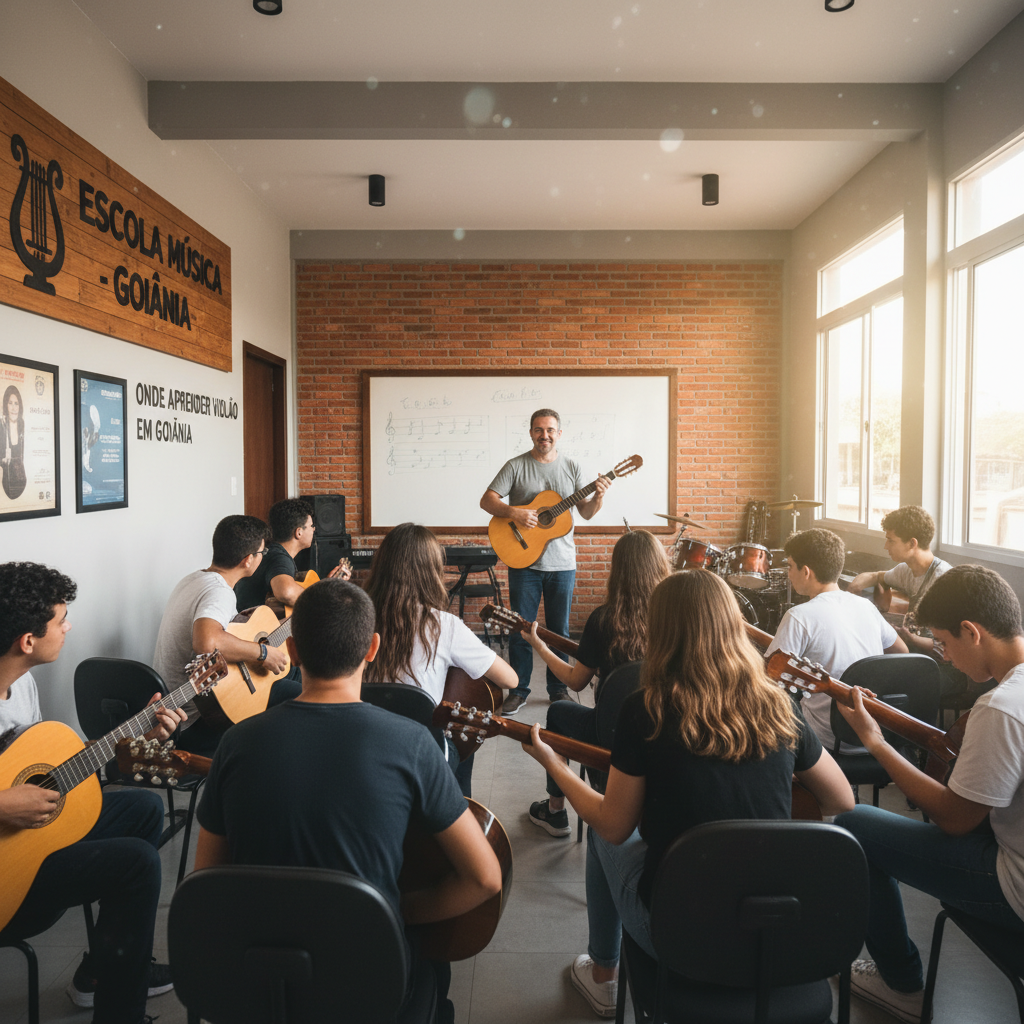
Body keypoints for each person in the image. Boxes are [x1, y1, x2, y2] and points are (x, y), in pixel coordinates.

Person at [523, 569, 854, 1017]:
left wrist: (554, 766)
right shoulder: (779, 704)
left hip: (682, 933)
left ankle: (603, 974)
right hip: (776, 925)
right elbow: (841, 800)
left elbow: (616, 825)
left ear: (662, 631)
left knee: (602, 838)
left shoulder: (647, 708)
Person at [194, 579, 502, 1024]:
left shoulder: (236, 743)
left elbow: (208, 880)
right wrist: (397, 909)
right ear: (373, 648)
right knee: (436, 974)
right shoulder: (412, 743)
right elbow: (486, 878)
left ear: (293, 652)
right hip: (368, 981)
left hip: (259, 978)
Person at [835, 565, 1024, 1024]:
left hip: (1014, 888)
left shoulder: (1002, 707)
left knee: (853, 826)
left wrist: (876, 742)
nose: (946, 658)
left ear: (971, 631)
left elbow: (956, 819)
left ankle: (901, 985)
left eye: (944, 643)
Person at [0, 561, 186, 1024]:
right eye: (61, 620)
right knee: (138, 864)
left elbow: (54, 770)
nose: (69, 627)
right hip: (8, 883)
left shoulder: (21, 683)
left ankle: (103, 971)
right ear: (27, 640)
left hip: (28, 844)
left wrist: (145, 741)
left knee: (142, 808)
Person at [525, 529, 670, 838]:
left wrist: (541, 648)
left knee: (559, 712)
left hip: (612, 735)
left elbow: (575, 682)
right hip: (667, 730)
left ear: (617, 571)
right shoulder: (673, 618)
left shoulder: (604, 619)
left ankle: (555, 811)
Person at [363, 522, 517, 796]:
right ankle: (457, 815)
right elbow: (510, 679)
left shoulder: (358, 617)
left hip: (365, 739)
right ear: (430, 572)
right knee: (463, 741)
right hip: (421, 748)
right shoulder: (443, 625)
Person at [480, 408, 611, 715]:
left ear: (559, 434)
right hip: (523, 562)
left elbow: (587, 513)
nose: (545, 435)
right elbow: (487, 500)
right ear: (531, 433)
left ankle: (558, 688)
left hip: (563, 563)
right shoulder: (516, 466)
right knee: (520, 628)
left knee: (559, 630)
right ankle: (519, 689)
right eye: (539, 430)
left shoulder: (572, 467)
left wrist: (600, 496)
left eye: (550, 430)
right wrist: (514, 513)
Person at [152, 515, 290, 754]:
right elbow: (207, 642)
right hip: (195, 719)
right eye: (262, 553)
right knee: (299, 699)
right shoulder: (219, 592)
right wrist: (262, 652)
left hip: (181, 712)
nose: (262, 558)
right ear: (248, 560)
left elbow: (230, 633)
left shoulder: (194, 579)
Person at [764, 528, 908, 751]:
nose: (788, 573)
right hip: (875, 733)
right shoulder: (866, 606)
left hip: (827, 738)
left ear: (806, 572)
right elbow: (902, 652)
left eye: (790, 566)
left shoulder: (799, 616)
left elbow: (766, 683)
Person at [847, 505, 973, 696]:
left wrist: (910, 638)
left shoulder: (943, 580)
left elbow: (951, 648)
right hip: (913, 657)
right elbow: (878, 576)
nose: (885, 546)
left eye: (891, 540)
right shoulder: (905, 570)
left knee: (876, 682)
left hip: (944, 670)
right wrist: (855, 588)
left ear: (912, 543)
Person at [233, 497, 350, 614]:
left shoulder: (269, 552)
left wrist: (326, 587)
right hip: (259, 630)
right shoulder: (279, 558)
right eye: (311, 526)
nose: (314, 530)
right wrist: (323, 598)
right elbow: (286, 592)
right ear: (299, 532)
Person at [1, 384, 27, 500]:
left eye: (16, 403)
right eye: (10, 403)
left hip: (21, 481)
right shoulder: (1, 425)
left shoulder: (21, 424)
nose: (13, 408)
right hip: (7, 484)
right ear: (6, 405)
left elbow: (22, 454)